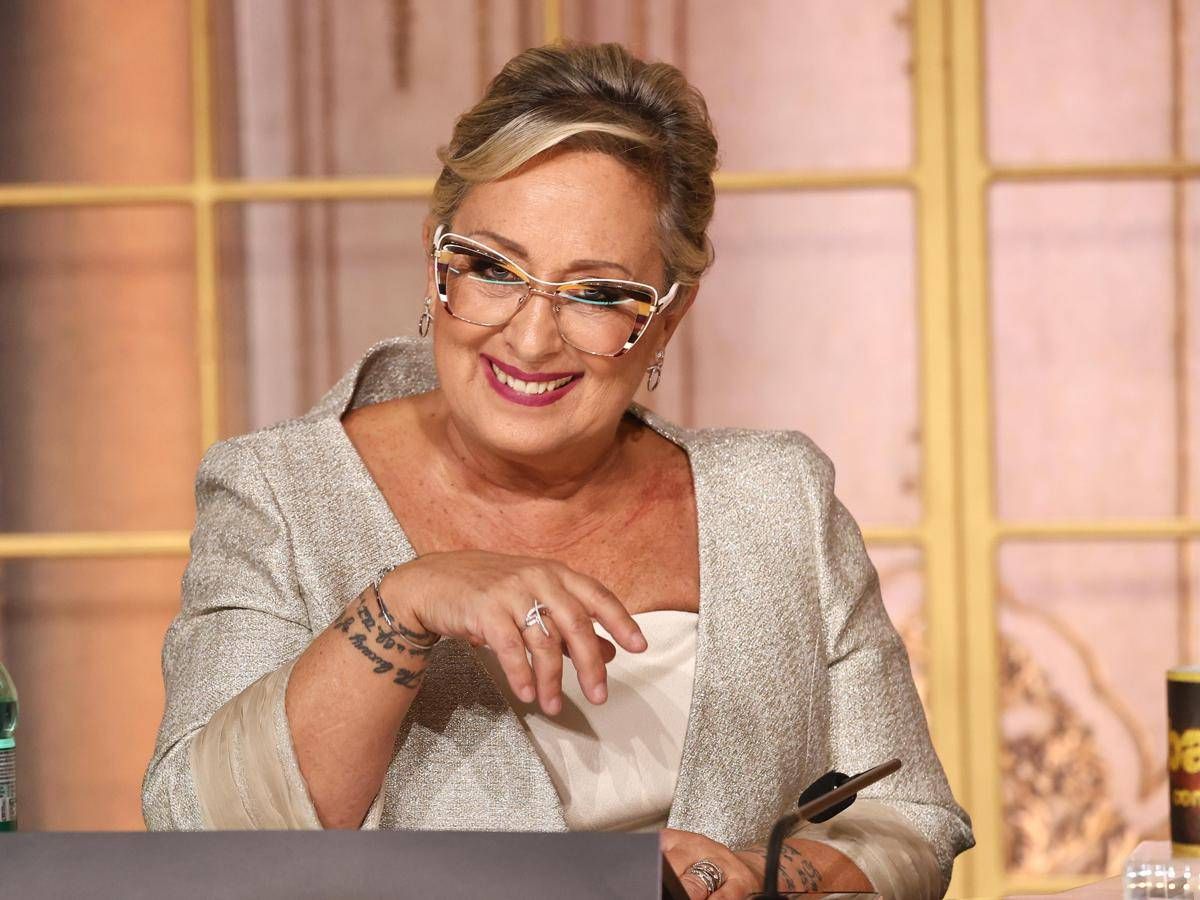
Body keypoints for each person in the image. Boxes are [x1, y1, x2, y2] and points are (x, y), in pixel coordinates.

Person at [143, 41, 973, 899]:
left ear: (669, 316)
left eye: (598, 293)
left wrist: (766, 877)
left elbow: (911, 818)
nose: (532, 339)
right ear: (435, 260)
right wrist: (405, 601)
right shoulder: (279, 492)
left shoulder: (778, 499)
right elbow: (198, 837)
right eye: (492, 269)